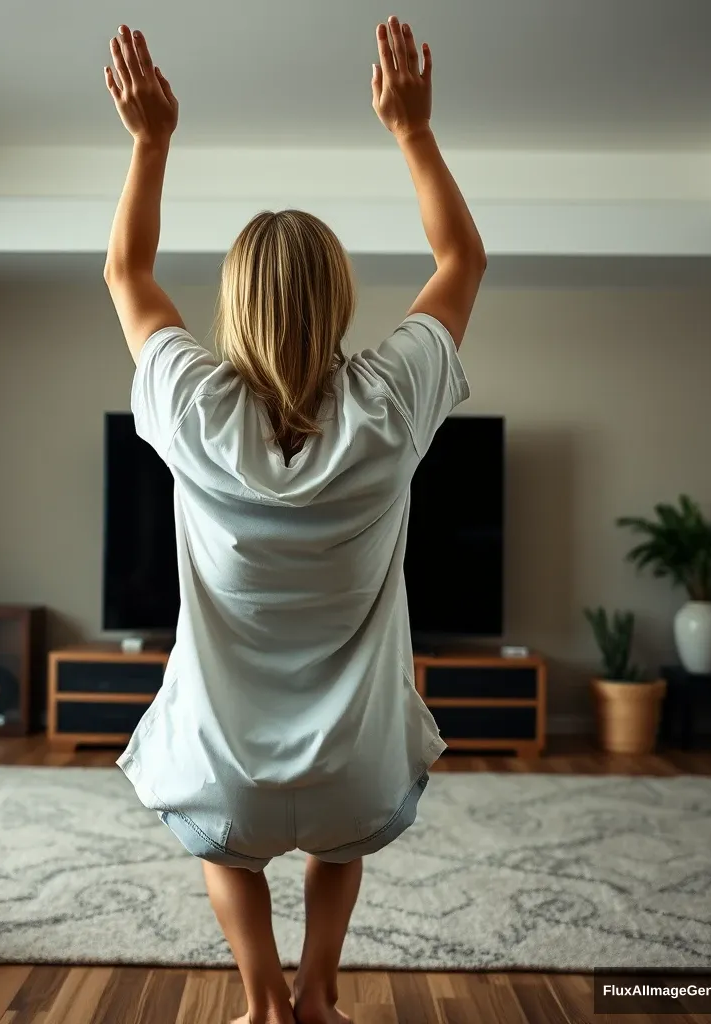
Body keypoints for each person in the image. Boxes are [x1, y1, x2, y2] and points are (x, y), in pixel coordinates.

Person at [102, 15, 486, 1024]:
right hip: (352, 771)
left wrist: (150, 142)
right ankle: (317, 996)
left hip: (222, 770)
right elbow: (460, 260)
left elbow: (128, 277)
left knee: (214, 842)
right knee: (341, 839)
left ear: (233, 304)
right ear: (340, 299)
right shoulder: (392, 400)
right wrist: (411, 131)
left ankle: (263, 1004)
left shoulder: (190, 404)